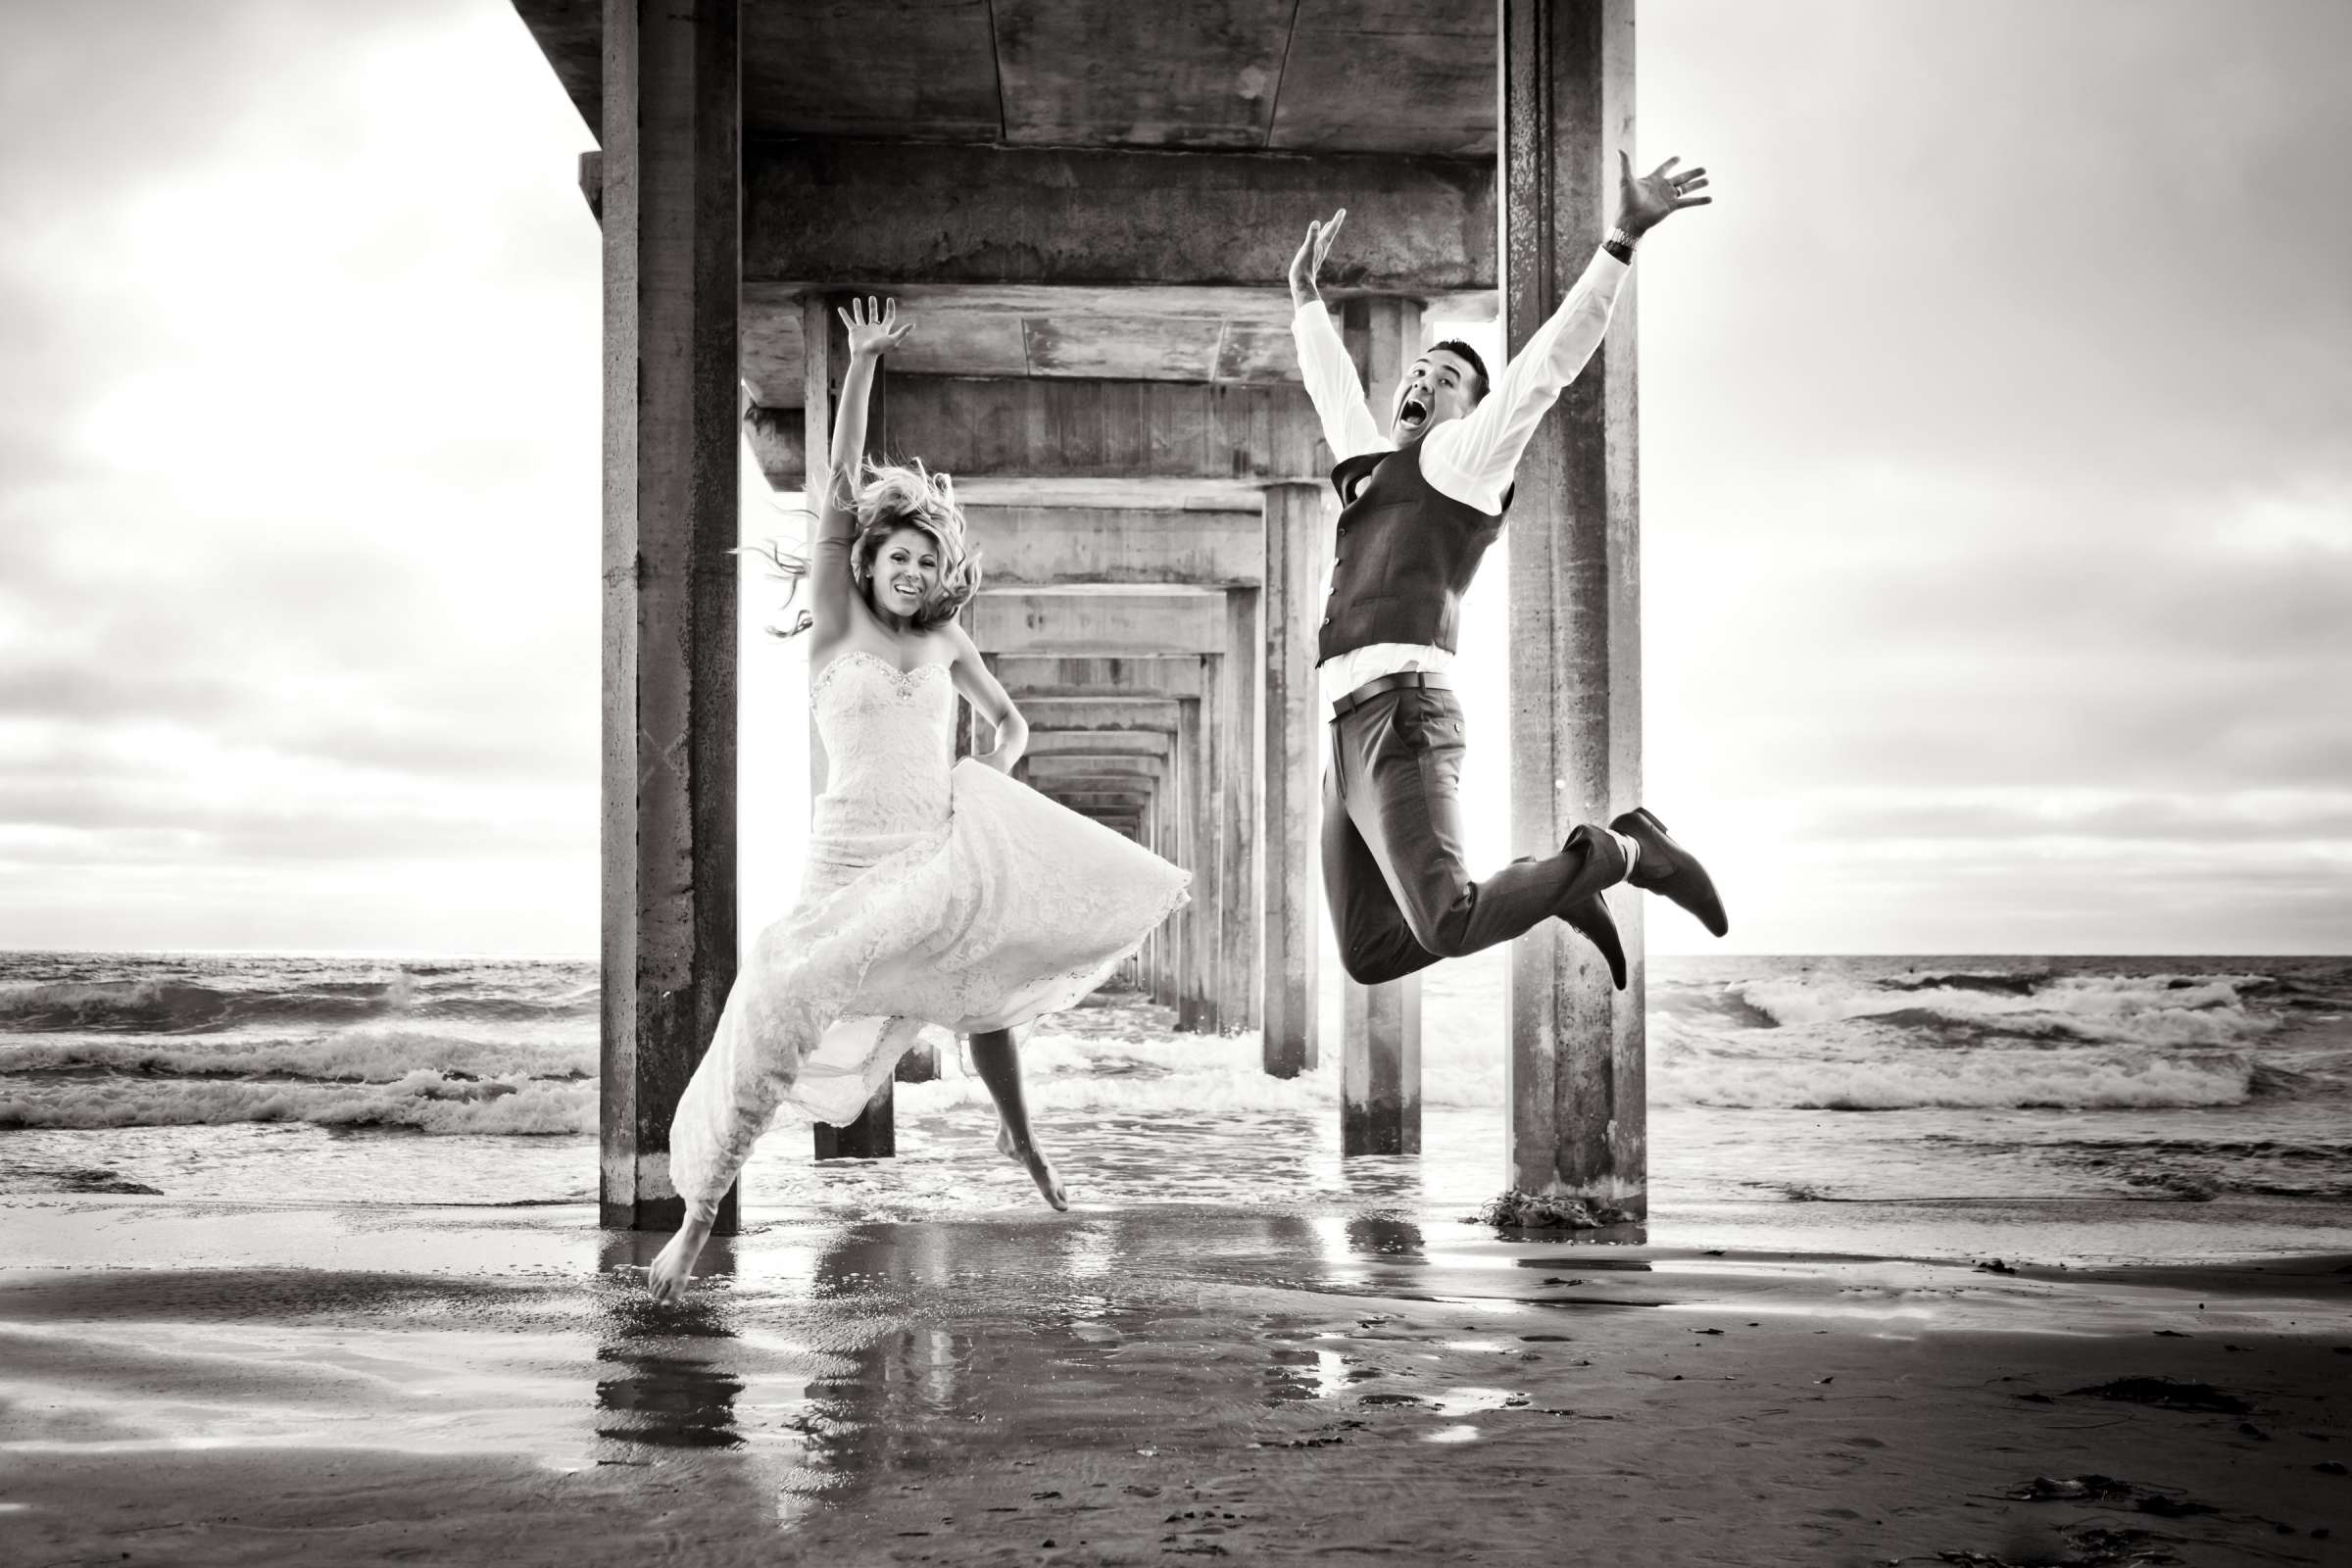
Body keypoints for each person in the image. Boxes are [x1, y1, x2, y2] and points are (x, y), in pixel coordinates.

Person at [647, 298, 1190, 1302]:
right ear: (868, 564)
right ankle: (698, 1219)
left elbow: (1009, 724)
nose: (911, 569)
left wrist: (989, 784)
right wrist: (859, 366)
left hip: (930, 847)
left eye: (926, 561)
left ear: (941, 575)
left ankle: (1022, 1141)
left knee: (982, 988)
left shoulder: (945, 643)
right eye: (897, 556)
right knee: (776, 1008)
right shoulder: (835, 633)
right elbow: (840, 485)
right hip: (844, 861)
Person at [1289, 152, 1728, 993]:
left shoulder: (1465, 460)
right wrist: (1306, 299)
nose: (1421, 382)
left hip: (1403, 718)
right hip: (1344, 739)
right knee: (1369, 953)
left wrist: (1621, 238)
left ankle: (1627, 852)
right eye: (1417, 373)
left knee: (1450, 921)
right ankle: (1551, 889)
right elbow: (1334, 393)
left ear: (1466, 408)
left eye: (1446, 378)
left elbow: (1545, 368)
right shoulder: (1374, 469)